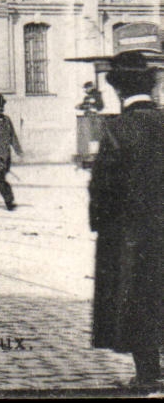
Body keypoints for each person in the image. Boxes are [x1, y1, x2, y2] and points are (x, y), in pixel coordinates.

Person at [88, 51, 163, 392]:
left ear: (118, 91)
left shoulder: (117, 129)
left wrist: (102, 225)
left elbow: (103, 189)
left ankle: (147, 373)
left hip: (132, 235)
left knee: (136, 301)